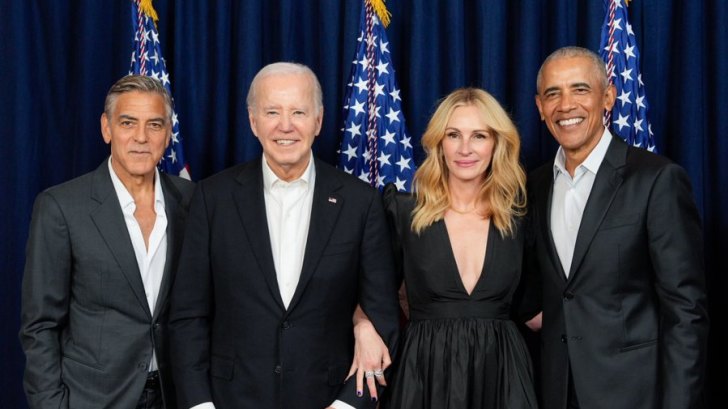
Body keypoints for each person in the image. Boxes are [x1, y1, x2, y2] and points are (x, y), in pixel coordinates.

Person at [167, 62, 400, 409]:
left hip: (328, 400)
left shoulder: (360, 202)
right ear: (253, 121)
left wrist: (347, 405)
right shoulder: (212, 198)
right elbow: (188, 316)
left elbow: (383, 315)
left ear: (318, 121)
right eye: (272, 111)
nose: (285, 125)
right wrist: (200, 405)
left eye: (299, 112)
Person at [526, 46, 709, 409]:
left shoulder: (657, 180)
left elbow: (685, 311)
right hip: (556, 392)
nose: (566, 105)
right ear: (539, 107)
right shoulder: (534, 185)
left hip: (636, 394)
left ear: (607, 97)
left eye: (580, 89)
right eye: (553, 93)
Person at [19, 75, 195, 408]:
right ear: (107, 128)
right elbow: (40, 325)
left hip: (175, 395)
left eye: (154, 125)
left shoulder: (192, 200)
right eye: (128, 123)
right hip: (93, 398)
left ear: (168, 131)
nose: (141, 137)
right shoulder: (61, 207)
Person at [381, 87, 537, 408]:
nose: (465, 148)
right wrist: (363, 330)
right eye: (454, 135)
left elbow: (539, 307)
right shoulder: (402, 211)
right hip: (422, 376)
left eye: (479, 136)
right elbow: (372, 295)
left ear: (497, 144)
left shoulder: (522, 217)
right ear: (439, 143)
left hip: (502, 375)